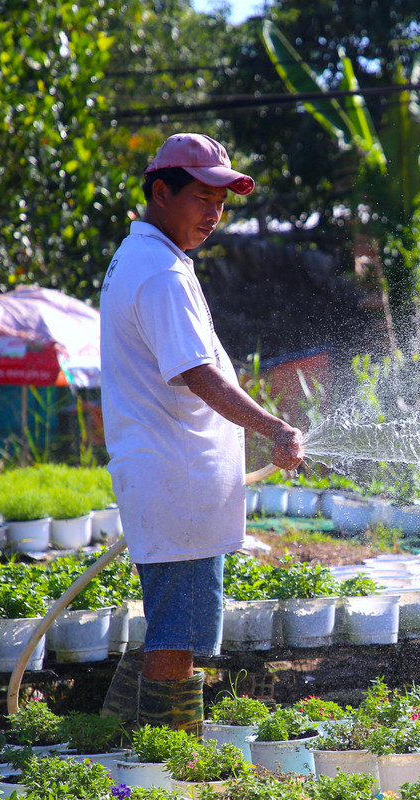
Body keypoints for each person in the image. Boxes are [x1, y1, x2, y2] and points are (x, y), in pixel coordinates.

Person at [97, 133, 304, 733]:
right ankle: (171, 762)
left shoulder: (147, 259)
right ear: (161, 193)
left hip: (173, 477)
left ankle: (112, 739)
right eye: (202, 197)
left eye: (222, 200)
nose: (214, 212)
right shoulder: (160, 272)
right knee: (178, 636)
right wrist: (272, 426)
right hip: (176, 479)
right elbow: (194, 372)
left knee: (170, 626)